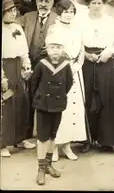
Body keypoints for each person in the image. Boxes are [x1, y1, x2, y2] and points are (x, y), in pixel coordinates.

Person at [75, 0, 114, 153]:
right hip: (87, 61)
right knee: (86, 99)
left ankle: (106, 140)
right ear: (88, 4)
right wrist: (86, 54)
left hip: (106, 62)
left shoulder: (109, 21)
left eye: (99, 3)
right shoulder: (79, 21)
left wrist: (109, 53)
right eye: (93, 3)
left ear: (104, 4)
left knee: (106, 99)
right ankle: (87, 139)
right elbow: (76, 42)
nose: (96, 6)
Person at [18, 0, 59, 147]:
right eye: (41, 1)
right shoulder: (27, 17)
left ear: (52, 2)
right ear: (35, 2)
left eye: (47, 1)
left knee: (45, 97)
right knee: (26, 96)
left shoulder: (58, 18)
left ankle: (44, 135)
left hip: (48, 64)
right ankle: (25, 134)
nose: (43, 4)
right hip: (28, 61)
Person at [30, 33, 73, 186]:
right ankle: (41, 168)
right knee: (42, 137)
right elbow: (33, 85)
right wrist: (40, 99)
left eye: (59, 47)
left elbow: (68, 84)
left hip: (58, 104)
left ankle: (48, 164)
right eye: (52, 47)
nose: (55, 50)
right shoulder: (41, 64)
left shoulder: (66, 65)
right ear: (47, 49)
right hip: (43, 105)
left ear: (63, 50)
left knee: (53, 136)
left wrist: (59, 97)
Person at [47, 0, 87, 162]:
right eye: (65, 11)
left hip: (75, 71)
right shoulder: (53, 29)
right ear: (59, 12)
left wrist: (77, 65)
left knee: (73, 108)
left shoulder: (78, 29)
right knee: (60, 108)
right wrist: (64, 66)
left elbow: (82, 49)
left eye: (71, 11)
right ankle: (55, 146)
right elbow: (52, 50)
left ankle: (67, 145)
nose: (68, 14)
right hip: (58, 71)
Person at [1, 0, 33, 157]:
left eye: (14, 11)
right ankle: (2, 144)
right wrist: (2, 78)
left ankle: (19, 139)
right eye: (9, 11)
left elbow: (24, 51)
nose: (13, 14)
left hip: (17, 67)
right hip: (5, 68)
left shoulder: (17, 27)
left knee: (21, 102)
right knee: (6, 105)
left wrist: (27, 67)